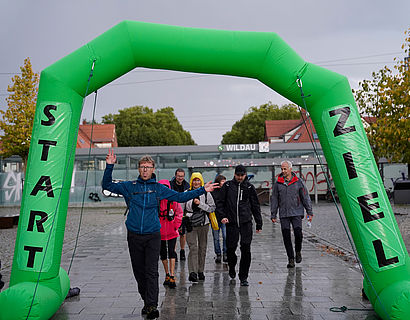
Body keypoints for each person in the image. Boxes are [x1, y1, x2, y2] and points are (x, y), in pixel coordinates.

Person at [102, 150, 218, 319]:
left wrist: (201, 190)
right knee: (139, 272)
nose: (145, 170)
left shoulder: (158, 189)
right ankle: (145, 298)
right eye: (142, 167)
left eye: (148, 167)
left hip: (153, 235)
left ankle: (151, 305)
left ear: (153, 169)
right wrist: (109, 166)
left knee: (151, 271)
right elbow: (107, 186)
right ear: (138, 169)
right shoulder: (130, 186)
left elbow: (180, 197)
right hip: (134, 235)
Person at [216, 165, 263, 287]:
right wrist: (222, 216)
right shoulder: (227, 186)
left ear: (245, 175)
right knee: (231, 248)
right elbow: (220, 203)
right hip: (231, 222)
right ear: (235, 174)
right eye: (238, 175)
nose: (240, 178)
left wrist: (259, 222)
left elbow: (255, 205)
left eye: (242, 175)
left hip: (245, 222)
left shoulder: (249, 187)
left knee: (246, 248)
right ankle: (232, 266)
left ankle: (243, 276)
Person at [270, 160, 313, 268]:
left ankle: (298, 251)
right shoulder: (278, 183)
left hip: (296, 212)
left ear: (290, 169)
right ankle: (291, 259)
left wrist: (309, 211)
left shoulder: (298, 182)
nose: (283, 171)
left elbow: (305, 197)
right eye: (282, 169)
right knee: (286, 236)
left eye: (285, 168)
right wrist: (273, 214)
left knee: (298, 234)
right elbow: (274, 199)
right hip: (284, 214)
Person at [184, 172, 216, 282]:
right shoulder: (186, 193)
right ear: (191, 181)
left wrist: (200, 204)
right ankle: (192, 272)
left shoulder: (206, 193)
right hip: (190, 224)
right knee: (193, 248)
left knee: (202, 248)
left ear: (201, 181)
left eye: (198, 180)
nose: (196, 182)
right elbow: (181, 209)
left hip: (203, 223)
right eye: (194, 180)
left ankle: (200, 270)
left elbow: (212, 208)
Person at [158, 179, 183, 289]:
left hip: (172, 231)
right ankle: (167, 273)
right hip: (160, 231)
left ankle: (172, 274)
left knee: (172, 252)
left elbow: (179, 213)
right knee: (163, 253)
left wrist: (175, 226)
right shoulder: (156, 200)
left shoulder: (173, 200)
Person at [170, 168, 190, 261]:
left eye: (182, 176)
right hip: (172, 212)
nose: (180, 178)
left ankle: (182, 251)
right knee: (173, 233)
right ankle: (173, 252)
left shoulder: (187, 186)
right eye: (178, 176)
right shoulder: (170, 185)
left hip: (182, 212)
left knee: (182, 233)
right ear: (175, 176)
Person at [211, 174, 228, 264]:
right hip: (215, 217)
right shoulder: (213, 192)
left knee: (225, 236)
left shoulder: (227, 191)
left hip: (224, 217)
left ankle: (225, 253)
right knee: (216, 237)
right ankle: (218, 254)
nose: (224, 183)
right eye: (222, 181)